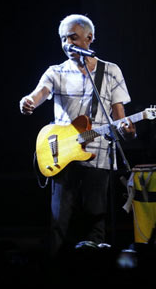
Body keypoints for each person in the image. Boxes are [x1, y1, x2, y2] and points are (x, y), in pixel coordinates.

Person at [19, 14, 135, 255]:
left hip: (100, 152)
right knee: (59, 219)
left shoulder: (110, 71)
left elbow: (120, 116)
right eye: (62, 39)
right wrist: (28, 101)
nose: (66, 44)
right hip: (62, 153)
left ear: (89, 38)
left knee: (96, 218)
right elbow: (39, 93)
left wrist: (128, 129)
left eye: (71, 37)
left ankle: (97, 267)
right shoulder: (56, 71)